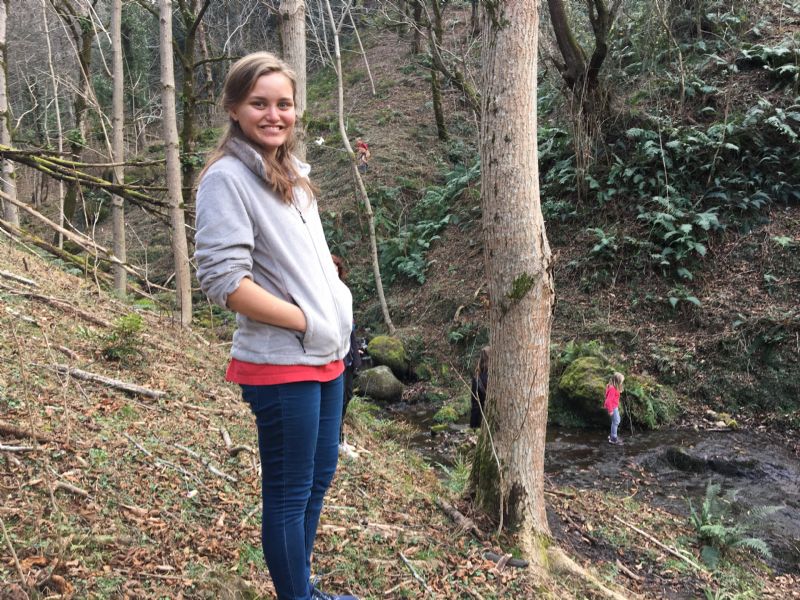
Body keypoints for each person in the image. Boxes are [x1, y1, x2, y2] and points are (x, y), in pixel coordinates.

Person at [194, 52, 358, 600]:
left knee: (319, 476)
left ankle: (301, 587)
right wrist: (306, 319)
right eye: (259, 103)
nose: (273, 114)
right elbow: (224, 281)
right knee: (289, 493)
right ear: (234, 108)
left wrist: (329, 300)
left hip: (326, 354)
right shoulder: (226, 179)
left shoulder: (291, 172)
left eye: (283, 104)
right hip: (283, 361)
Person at [331, 255, 361, 459]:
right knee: (337, 399)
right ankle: (336, 441)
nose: (333, 270)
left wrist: (356, 350)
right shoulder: (321, 292)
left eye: (336, 267)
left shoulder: (344, 292)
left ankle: (339, 439)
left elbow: (350, 328)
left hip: (348, 355)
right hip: (334, 356)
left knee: (347, 396)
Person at [469, 346, 490, 428]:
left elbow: (475, 406)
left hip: (481, 420)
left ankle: (474, 427)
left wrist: (472, 427)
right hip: (489, 418)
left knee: (476, 406)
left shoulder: (476, 376)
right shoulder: (494, 375)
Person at [605, 372, 625, 445]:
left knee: (615, 421)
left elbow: (616, 393)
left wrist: (619, 390)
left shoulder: (613, 387)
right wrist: (610, 410)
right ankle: (613, 438)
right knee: (616, 421)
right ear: (617, 381)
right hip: (612, 407)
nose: (622, 383)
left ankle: (612, 435)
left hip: (614, 406)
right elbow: (608, 401)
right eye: (621, 382)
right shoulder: (612, 389)